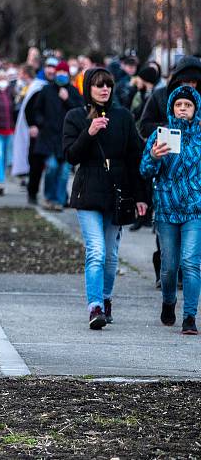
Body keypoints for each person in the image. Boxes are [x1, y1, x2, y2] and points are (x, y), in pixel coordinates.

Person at [63, 67, 147, 330]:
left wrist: (142, 196)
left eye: (108, 85)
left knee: (111, 255)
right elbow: (70, 155)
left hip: (117, 192)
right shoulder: (75, 116)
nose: (104, 89)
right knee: (96, 251)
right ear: (88, 88)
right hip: (88, 192)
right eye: (99, 85)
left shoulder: (122, 117)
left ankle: (106, 299)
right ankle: (95, 306)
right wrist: (89, 133)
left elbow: (136, 157)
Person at [140, 86, 201, 335]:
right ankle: (168, 302)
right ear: (171, 109)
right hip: (166, 209)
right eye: (179, 105)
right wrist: (154, 156)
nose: (183, 109)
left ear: (196, 108)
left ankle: (190, 317)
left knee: (191, 263)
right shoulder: (160, 135)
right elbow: (145, 170)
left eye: (188, 105)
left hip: (195, 210)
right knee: (169, 266)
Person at [30, 61, 83, 211]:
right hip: (49, 137)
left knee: (64, 172)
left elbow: (80, 111)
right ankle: (49, 197)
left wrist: (67, 100)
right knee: (52, 168)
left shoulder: (72, 91)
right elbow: (37, 110)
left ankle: (59, 201)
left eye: (64, 73)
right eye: (58, 72)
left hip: (67, 139)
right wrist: (40, 123)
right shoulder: (46, 90)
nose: (61, 75)